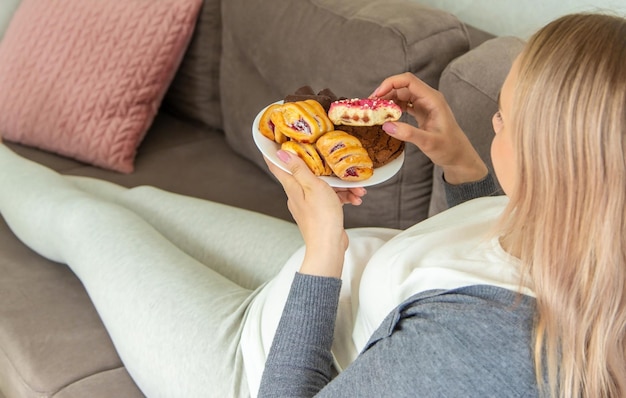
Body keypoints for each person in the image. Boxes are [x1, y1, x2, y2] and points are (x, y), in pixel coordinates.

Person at [0, 11, 624, 398]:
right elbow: (488, 259)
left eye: (505, 121)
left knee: (85, 222)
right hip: (327, 289)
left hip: (254, 363)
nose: (490, 118)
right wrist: (462, 162)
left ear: (563, 168)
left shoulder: (484, 353)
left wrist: (324, 247)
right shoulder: (589, 231)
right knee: (141, 201)